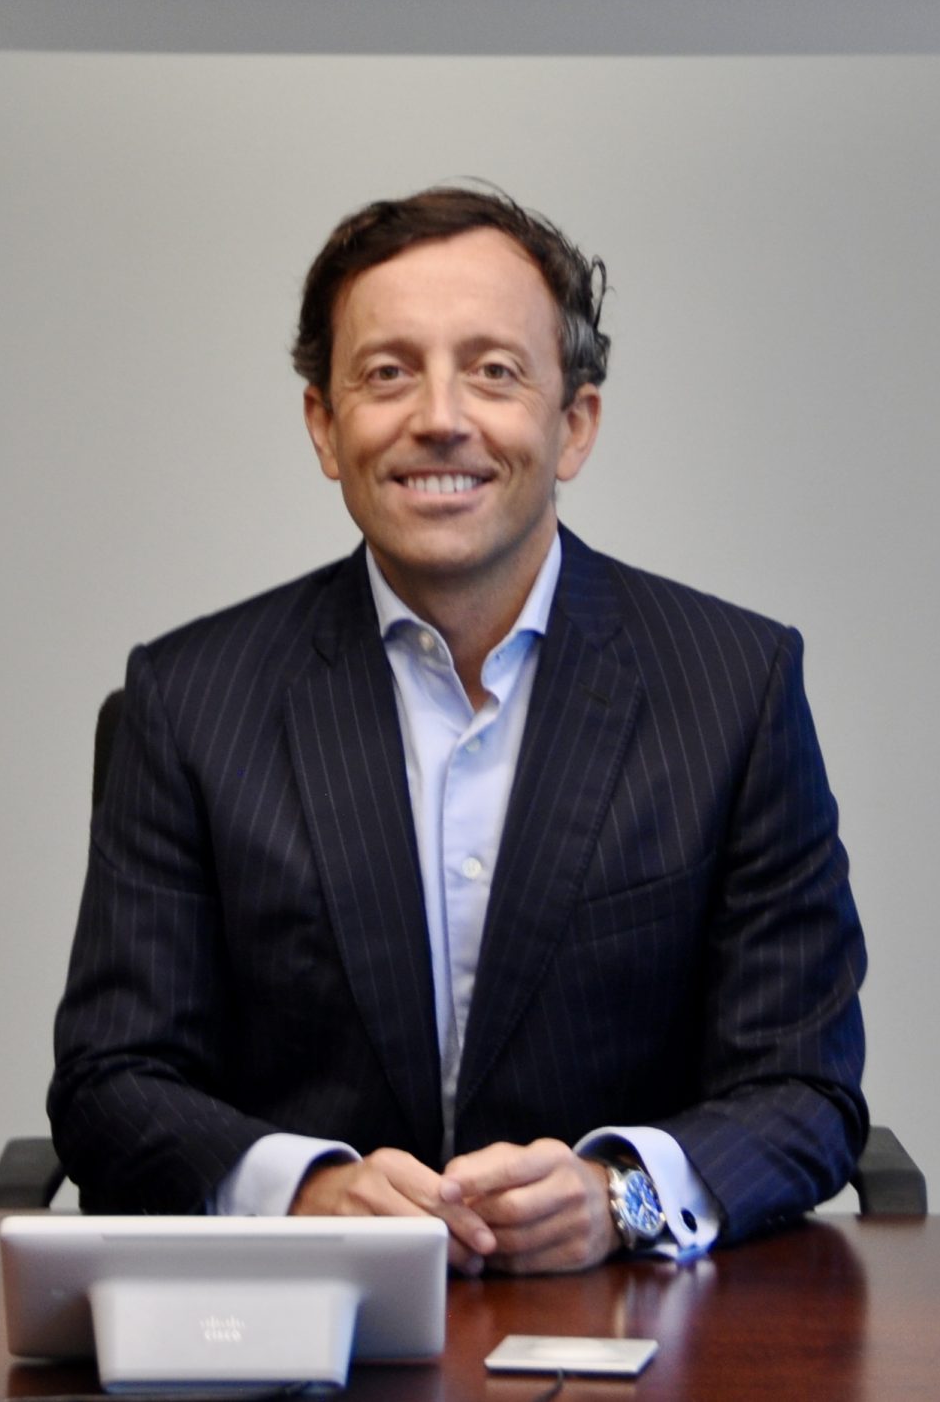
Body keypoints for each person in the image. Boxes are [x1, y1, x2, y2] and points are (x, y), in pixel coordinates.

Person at [48, 186, 867, 1271]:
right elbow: (111, 1083)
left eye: (494, 371)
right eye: (388, 373)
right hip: (306, 1323)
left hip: (631, 1323)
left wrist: (618, 1195)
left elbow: (804, 1086)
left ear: (574, 424)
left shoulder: (733, 690)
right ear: (324, 425)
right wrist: (302, 1193)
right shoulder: (190, 701)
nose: (440, 417)